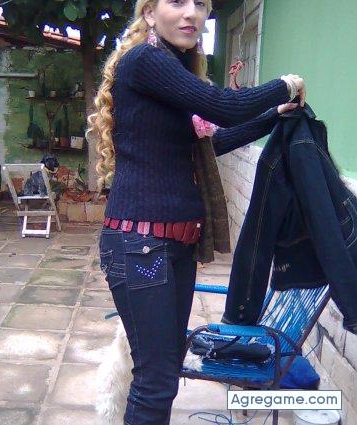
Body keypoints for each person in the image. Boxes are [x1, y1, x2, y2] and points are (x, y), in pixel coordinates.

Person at [86, 1, 306, 423]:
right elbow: (223, 106)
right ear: (150, 13)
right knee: (155, 380)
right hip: (141, 247)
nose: (191, 13)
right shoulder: (146, 60)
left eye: (201, 4)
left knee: (164, 372)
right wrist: (286, 85)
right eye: (177, 1)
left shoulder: (172, 69)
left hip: (174, 247)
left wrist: (273, 117)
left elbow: (208, 145)